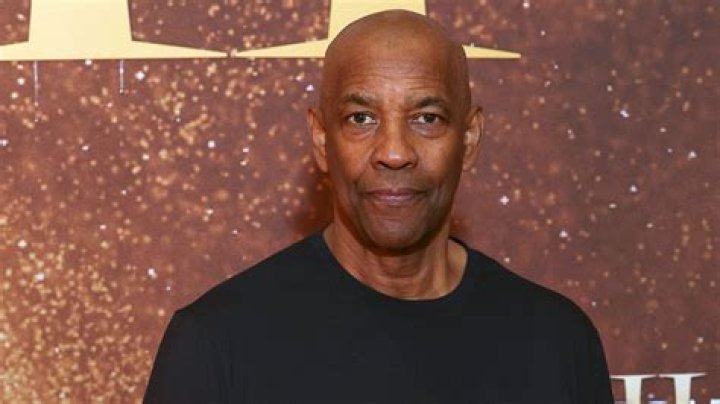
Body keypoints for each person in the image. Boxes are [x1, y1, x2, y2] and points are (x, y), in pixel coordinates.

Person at [144, 10, 614, 403]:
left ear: (469, 139)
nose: (394, 151)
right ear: (322, 139)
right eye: (361, 118)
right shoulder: (216, 346)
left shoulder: (557, 343)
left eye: (426, 118)